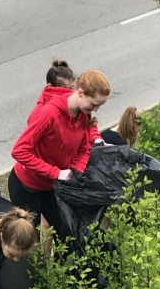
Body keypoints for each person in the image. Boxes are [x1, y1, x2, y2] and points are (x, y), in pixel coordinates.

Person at [8, 69, 111, 239]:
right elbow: (19, 150)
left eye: (99, 105)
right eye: (94, 104)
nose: (96, 109)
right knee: (28, 239)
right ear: (80, 93)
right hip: (27, 185)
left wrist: (76, 170)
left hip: (53, 186)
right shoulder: (50, 114)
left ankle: (62, 264)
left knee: (67, 233)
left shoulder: (83, 113)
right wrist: (56, 172)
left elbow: (84, 148)